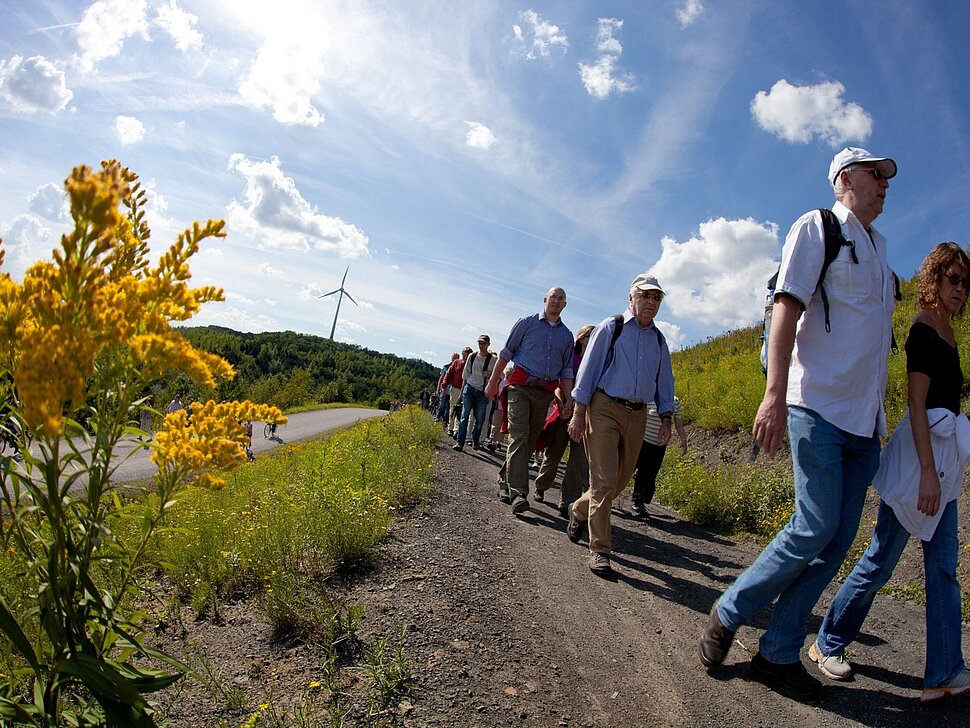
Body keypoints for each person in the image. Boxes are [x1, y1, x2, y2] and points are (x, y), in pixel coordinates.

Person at [699, 147, 899, 701]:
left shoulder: (881, 250)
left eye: (887, 177)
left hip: (864, 423)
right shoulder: (818, 227)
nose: (884, 184)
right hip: (816, 406)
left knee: (836, 542)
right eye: (874, 174)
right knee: (813, 526)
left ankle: (780, 651)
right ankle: (728, 610)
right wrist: (772, 395)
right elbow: (786, 307)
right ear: (843, 179)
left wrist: (880, 420)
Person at [809, 242, 970, 701]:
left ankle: (943, 670)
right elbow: (916, 403)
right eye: (953, 278)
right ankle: (828, 642)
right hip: (919, 465)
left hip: (943, 463)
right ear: (934, 280)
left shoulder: (950, 333)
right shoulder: (923, 330)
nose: (961, 288)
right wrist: (926, 473)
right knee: (880, 560)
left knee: (943, 569)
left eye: (966, 281)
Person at [566, 274, 675, 576]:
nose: (651, 302)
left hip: (638, 414)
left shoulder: (659, 339)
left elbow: (665, 382)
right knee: (603, 481)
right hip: (603, 408)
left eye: (656, 298)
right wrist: (578, 413)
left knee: (619, 482)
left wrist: (666, 418)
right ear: (631, 298)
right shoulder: (610, 328)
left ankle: (578, 510)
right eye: (645, 296)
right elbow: (587, 372)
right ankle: (600, 549)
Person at [485, 287, 574, 515]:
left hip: (544, 393)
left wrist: (568, 400)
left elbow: (565, 370)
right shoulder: (526, 323)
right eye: (553, 297)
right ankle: (518, 494)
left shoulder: (567, 336)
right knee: (519, 436)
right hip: (519, 388)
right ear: (545, 300)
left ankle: (504, 481)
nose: (556, 301)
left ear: (565, 304)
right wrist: (493, 381)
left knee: (530, 441)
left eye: (561, 298)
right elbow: (506, 353)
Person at [534, 324, 595, 517]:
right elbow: (559, 386)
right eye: (590, 336)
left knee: (578, 461)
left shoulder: (598, 362)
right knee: (554, 453)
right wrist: (562, 406)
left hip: (585, 416)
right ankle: (541, 485)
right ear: (582, 338)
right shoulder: (571, 358)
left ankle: (567, 502)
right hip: (564, 412)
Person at [631, 395, 687, 518]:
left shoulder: (674, 401)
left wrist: (683, 439)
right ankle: (618, 496)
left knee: (650, 474)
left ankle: (639, 501)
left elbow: (678, 422)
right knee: (633, 470)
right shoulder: (649, 398)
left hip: (660, 446)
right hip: (643, 442)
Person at [454, 335, 495, 452]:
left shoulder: (493, 360)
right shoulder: (472, 356)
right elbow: (465, 374)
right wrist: (463, 390)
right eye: (479, 343)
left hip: (482, 392)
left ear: (488, 344)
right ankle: (460, 442)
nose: (481, 345)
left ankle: (475, 439)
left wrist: (490, 375)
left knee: (480, 419)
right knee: (464, 415)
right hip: (470, 388)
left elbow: (500, 376)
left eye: (483, 343)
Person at [441, 348, 471, 437]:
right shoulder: (457, 362)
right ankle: (450, 427)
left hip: (466, 390)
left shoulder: (471, 365)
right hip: (455, 388)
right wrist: (444, 384)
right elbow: (449, 374)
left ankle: (456, 429)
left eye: (466, 355)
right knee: (453, 408)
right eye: (463, 354)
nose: (464, 357)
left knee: (462, 410)